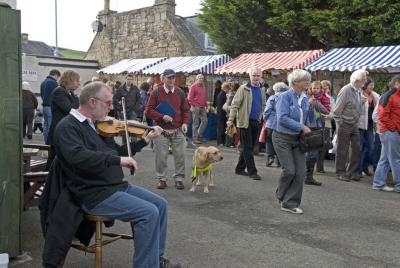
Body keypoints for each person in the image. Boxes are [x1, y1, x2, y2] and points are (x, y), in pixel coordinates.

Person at [39, 81, 180, 268]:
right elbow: (78, 157)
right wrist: (117, 161)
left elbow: (118, 153)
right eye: (107, 103)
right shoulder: (67, 127)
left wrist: (145, 140)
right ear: (92, 102)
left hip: (114, 186)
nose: (111, 107)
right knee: (148, 213)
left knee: (160, 205)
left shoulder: (96, 126)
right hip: (93, 193)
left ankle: (155, 259)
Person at [273, 69, 313, 214]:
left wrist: (310, 126)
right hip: (282, 138)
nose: (307, 82)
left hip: (298, 139)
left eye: (307, 79)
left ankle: (289, 203)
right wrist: (301, 126)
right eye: (304, 80)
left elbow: (306, 117)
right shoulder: (284, 97)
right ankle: (281, 194)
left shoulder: (304, 98)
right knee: (289, 170)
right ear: (295, 83)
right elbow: (282, 118)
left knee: (301, 172)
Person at [145, 69, 190, 190]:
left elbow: (186, 109)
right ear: (163, 78)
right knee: (161, 156)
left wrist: (185, 123)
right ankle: (162, 179)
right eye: (169, 78)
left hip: (177, 129)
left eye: (173, 78)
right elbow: (148, 110)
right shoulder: (156, 92)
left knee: (180, 155)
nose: (171, 80)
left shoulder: (180, 92)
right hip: (161, 130)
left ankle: (179, 179)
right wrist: (162, 116)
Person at [227, 67, 266, 180]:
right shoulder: (243, 88)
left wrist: (262, 116)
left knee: (248, 146)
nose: (256, 77)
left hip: (256, 121)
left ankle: (239, 168)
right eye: (254, 75)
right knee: (248, 147)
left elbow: (263, 105)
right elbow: (235, 104)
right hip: (244, 122)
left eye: (258, 75)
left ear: (261, 77)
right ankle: (252, 171)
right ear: (250, 76)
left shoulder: (262, 90)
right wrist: (230, 119)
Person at [333, 70, 368, 182]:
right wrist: (341, 123)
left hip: (354, 124)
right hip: (345, 124)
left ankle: (351, 172)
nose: (365, 81)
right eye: (364, 79)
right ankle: (341, 172)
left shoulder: (357, 90)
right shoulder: (346, 90)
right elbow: (337, 111)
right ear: (357, 80)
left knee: (356, 149)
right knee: (342, 149)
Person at [46, 70, 80, 169]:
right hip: (58, 131)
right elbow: (69, 109)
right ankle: (46, 181)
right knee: (53, 161)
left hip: (66, 130)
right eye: (77, 81)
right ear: (69, 80)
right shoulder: (59, 91)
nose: (79, 84)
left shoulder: (70, 93)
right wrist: (81, 100)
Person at [372, 75, 400, 193]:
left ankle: (378, 183)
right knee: (395, 159)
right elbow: (382, 115)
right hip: (390, 132)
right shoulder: (389, 96)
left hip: (390, 131)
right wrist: (393, 128)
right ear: (397, 84)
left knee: (386, 159)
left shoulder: (393, 96)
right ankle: (398, 185)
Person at [304, 81, 329, 186]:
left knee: (313, 152)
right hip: (307, 127)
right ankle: (305, 175)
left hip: (317, 127)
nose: (315, 90)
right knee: (309, 152)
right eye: (313, 88)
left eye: (317, 88)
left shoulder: (322, 99)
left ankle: (308, 176)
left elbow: (326, 111)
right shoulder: (306, 97)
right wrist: (309, 104)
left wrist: (316, 103)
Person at [264, 82, 289, 167]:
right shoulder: (287, 98)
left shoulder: (272, 97)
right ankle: (279, 160)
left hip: (271, 123)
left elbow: (267, 110)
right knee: (280, 142)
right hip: (283, 123)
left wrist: (265, 118)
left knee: (269, 141)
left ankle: (270, 158)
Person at [357, 79, 379, 177]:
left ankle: (365, 167)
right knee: (361, 147)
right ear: (365, 85)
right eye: (370, 85)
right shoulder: (359, 94)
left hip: (370, 124)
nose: (372, 87)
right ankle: (359, 169)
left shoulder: (375, 95)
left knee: (370, 147)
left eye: (373, 85)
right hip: (361, 124)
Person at [40, 69, 61, 143]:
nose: (58, 79)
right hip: (50, 106)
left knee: (46, 125)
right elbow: (57, 95)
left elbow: (42, 95)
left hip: (45, 106)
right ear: (55, 75)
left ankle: (46, 142)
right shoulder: (53, 82)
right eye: (58, 77)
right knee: (50, 126)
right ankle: (49, 144)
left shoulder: (43, 82)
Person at [188, 74, 208, 144]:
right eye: (199, 78)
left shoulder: (203, 86)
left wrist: (206, 104)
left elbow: (204, 96)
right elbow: (190, 98)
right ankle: (195, 138)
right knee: (196, 123)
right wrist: (194, 105)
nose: (201, 79)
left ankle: (199, 135)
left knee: (205, 121)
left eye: (202, 78)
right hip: (195, 106)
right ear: (196, 79)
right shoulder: (193, 86)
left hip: (202, 106)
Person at [216, 82, 230, 146]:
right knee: (221, 128)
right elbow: (222, 106)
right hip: (221, 113)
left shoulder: (221, 94)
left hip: (220, 113)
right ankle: (220, 142)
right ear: (226, 88)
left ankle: (221, 141)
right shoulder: (222, 95)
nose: (229, 90)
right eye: (228, 88)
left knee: (221, 127)